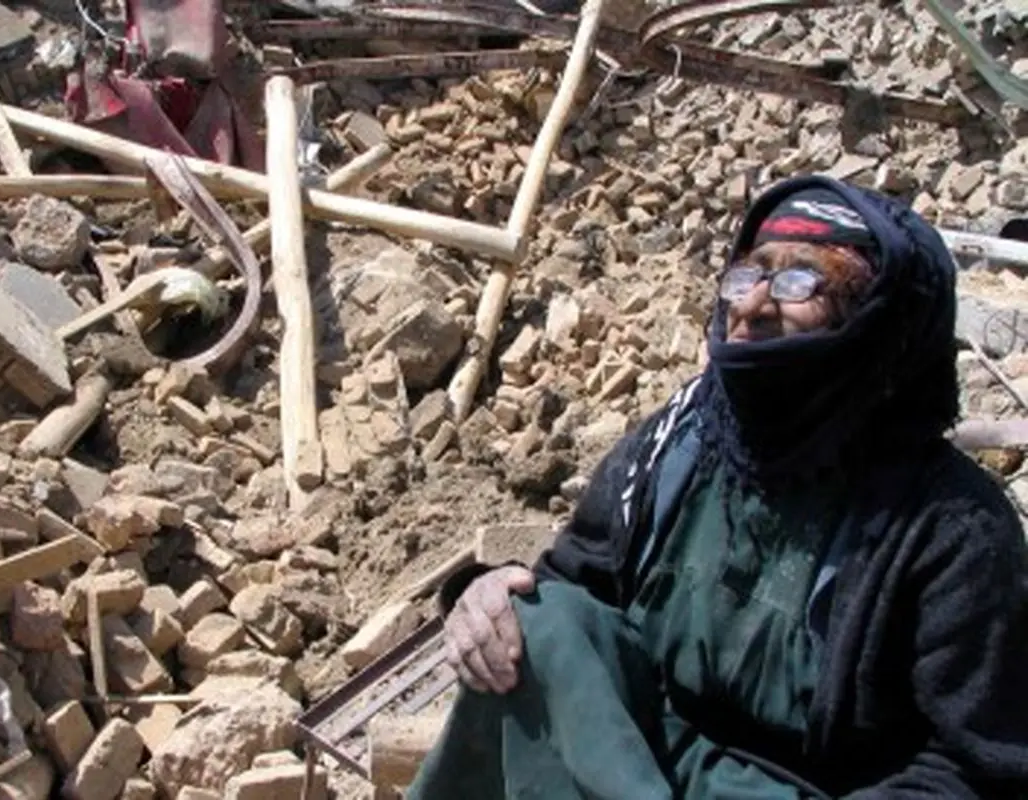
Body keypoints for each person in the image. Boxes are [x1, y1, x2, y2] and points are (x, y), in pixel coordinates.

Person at [406, 175, 1028, 799]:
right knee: (537, 620)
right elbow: (574, 592)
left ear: (877, 321)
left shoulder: (950, 528)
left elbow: (980, 768)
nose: (753, 304)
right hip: (633, 759)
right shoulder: (679, 442)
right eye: (748, 274)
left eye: (799, 281)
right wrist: (485, 596)